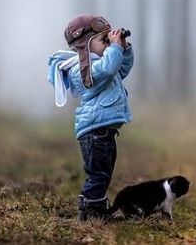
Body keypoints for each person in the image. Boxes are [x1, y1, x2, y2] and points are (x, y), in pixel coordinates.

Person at [47, 14, 134, 222]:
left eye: (107, 40)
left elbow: (121, 68)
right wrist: (114, 49)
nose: (107, 44)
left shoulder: (102, 62)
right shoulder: (80, 68)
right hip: (94, 133)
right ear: (84, 45)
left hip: (103, 131)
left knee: (104, 174)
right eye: (103, 40)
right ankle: (91, 213)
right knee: (98, 175)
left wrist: (123, 47)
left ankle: (94, 210)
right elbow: (108, 68)